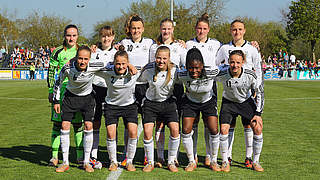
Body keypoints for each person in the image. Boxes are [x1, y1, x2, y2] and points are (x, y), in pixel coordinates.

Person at [216, 19, 264, 168]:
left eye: (240, 29)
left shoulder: (252, 49)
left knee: (251, 126)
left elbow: (258, 69)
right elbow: (216, 65)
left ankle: (250, 158)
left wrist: (256, 89)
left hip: (247, 93)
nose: (237, 32)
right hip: (230, 94)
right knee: (227, 128)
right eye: (234, 29)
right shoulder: (224, 48)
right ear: (230, 31)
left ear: (244, 31)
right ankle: (227, 158)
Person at [53, 45, 106, 173]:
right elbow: (58, 82)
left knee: (88, 126)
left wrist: (130, 66)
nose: (83, 61)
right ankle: (65, 162)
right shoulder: (67, 67)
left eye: (86, 59)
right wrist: (56, 100)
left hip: (87, 99)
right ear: (76, 57)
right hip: (70, 98)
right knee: (65, 126)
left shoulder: (95, 65)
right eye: (80, 58)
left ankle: (86, 162)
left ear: (90, 59)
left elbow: (111, 65)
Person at [149, 18, 186, 168]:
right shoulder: (153, 47)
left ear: (173, 30)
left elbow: (184, 67)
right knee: (159, 124)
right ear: (160, 29)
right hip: (158, 87)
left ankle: (174, 156)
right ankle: (160, 157)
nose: (166, 31)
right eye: (164, 28)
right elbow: (150, 67)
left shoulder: (180, 46)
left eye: (169, 29)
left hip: (175, 88)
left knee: (174, 124)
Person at [186, 13, 221, 166]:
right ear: (195, 29)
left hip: (209, 86)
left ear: (208, 29)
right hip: (191, 86)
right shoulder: (186, 44)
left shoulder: (216, 44)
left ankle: (209, 156)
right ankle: (192, 157)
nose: (201, 31)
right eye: (199, 28)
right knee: (192, 124)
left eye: (204, 28)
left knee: (210, 124)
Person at [118, 14, 154, 166]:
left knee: (147, 121)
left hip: (145, 86)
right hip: (129, 87)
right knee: (129, 122)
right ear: (129, 29)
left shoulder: (150, 43)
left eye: (139, 28)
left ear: (143, 29)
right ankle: (127, 153)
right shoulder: (123, 43)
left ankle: (147, 155)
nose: (136, 30)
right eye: (133, 28)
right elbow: (118, 58)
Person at [97, 46, 139, 172]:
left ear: (128, 63)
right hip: (111, 106)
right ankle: (113, 161)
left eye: (123, 64)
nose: (120, 67)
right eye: (118, 63)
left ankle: (129, 161)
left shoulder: (135, 72)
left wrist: (130, 66)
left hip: (129, 106)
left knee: (133, 131)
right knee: (111, 133)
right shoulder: (107, 71)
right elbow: (92, 67)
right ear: (113, 63)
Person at [47, 24, 84, 167]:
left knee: (78, 125)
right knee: (58, 124)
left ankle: (80, 157)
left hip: (77, 92)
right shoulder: (57, 52)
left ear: (77, 36)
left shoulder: (81, 51)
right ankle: (54, 156)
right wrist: (51, 91)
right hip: (61, 92)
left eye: (74, 35)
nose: (71, 38)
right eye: (69, 35)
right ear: (64, 36)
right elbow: (51, 72)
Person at [139, 46, 180, 172]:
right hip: (151, 104)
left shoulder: (175, 70)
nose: (161, 61)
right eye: (158, 58)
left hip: (168, 103)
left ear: (169, 59)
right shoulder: (148, 69)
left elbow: (182, 83)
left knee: (175, 129)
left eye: (164, 58)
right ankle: (150, 162)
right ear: (155, 58)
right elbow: (138, 81)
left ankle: (171, 161)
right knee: (147, 131)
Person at [179, 48, 220, 172]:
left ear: (202, 65)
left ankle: (213, 160)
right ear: (186, 67)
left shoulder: (212, 72)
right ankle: (192, 161)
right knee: (186, 130)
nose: (194, 71)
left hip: (208, 101)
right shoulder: (181, 74)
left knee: (213, 129)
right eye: (191, 68)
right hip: (190, 102)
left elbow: (227, 70)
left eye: (197, 68)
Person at [89, 26, 117, 169]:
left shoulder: (118, 52)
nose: (106, 39)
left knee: (111, 125)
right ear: (100, 38)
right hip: (96, 90)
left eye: (109, 36)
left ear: (113, 37)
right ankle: (93, 156)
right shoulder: (93, 52)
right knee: (95, 123)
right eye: (103, 36)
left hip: (112, 91)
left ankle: (113, 158)